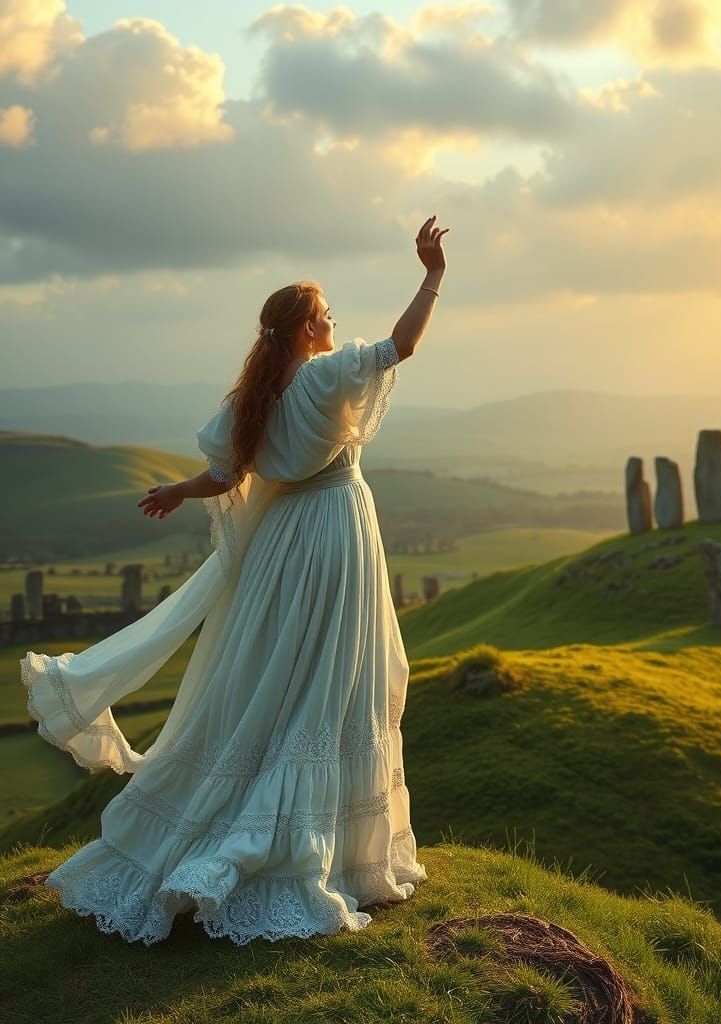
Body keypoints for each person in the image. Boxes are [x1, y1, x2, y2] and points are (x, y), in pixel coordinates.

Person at [20, 215, 450, 945]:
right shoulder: (324, 377)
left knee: (276, 672)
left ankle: (234, 817)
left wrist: (178, 494)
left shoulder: (252, 397)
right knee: (334, 675)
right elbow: (401, 345)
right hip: (336, 532)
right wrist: (432, 274)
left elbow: (226, 473)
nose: (333, 323)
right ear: (307, 330)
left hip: (284, 542)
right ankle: (326, 846)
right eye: (325, 316)